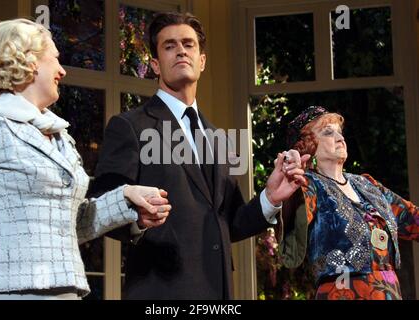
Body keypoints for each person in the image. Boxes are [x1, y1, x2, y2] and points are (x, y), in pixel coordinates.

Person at [89, 12, 308, 300]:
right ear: (155, 64)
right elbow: (102, 205)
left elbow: (230, 223)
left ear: (202, 61)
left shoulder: (217, 137)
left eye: (189, 44)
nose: (181, 50)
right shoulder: (130, 126)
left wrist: (270, 198)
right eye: (169, 46)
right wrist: (138, 220)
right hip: (159, 293)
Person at [0, 18, 171, 300]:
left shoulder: (60, 136)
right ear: (29, 61)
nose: (62, 70)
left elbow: (74, 223)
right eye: (55, 59)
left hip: (66, 288)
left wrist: (128, 199)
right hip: (7, 288)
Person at [280, 106, 419, 300]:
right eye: (329, 132)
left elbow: (413, 219)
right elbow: (295, 211)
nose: (340, 138)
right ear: (307, 146)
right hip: (342, 291)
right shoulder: (308, 185)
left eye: (340, 132)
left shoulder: (367, 185)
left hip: (389, 291)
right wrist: (293, 177)